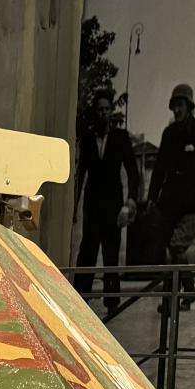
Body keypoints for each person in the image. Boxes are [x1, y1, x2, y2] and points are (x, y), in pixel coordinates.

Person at [72, 89, 144, 315]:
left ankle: (112, 304)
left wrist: (130, 201)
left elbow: (133, 171)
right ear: (96, 113)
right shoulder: (87, 138)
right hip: (92, 206)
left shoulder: (120, 138)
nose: (103, 114)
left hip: (114, 206)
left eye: (107, 110)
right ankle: (79, 302)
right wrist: (74, 208)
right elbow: (81, 173)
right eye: (99, 110)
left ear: (111, 112)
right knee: (88, 252)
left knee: (111, 254)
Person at [146, 83, 195, 301]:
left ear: (189, 106)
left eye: (180, 105)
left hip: (190, 204)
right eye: (174, 106)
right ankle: (187, 292)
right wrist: (151, 198)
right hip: (169, 204)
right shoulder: (169, 134)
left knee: (177, 247)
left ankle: (173, 298)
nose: (176, 110)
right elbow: (159, 168)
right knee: (173, 252)